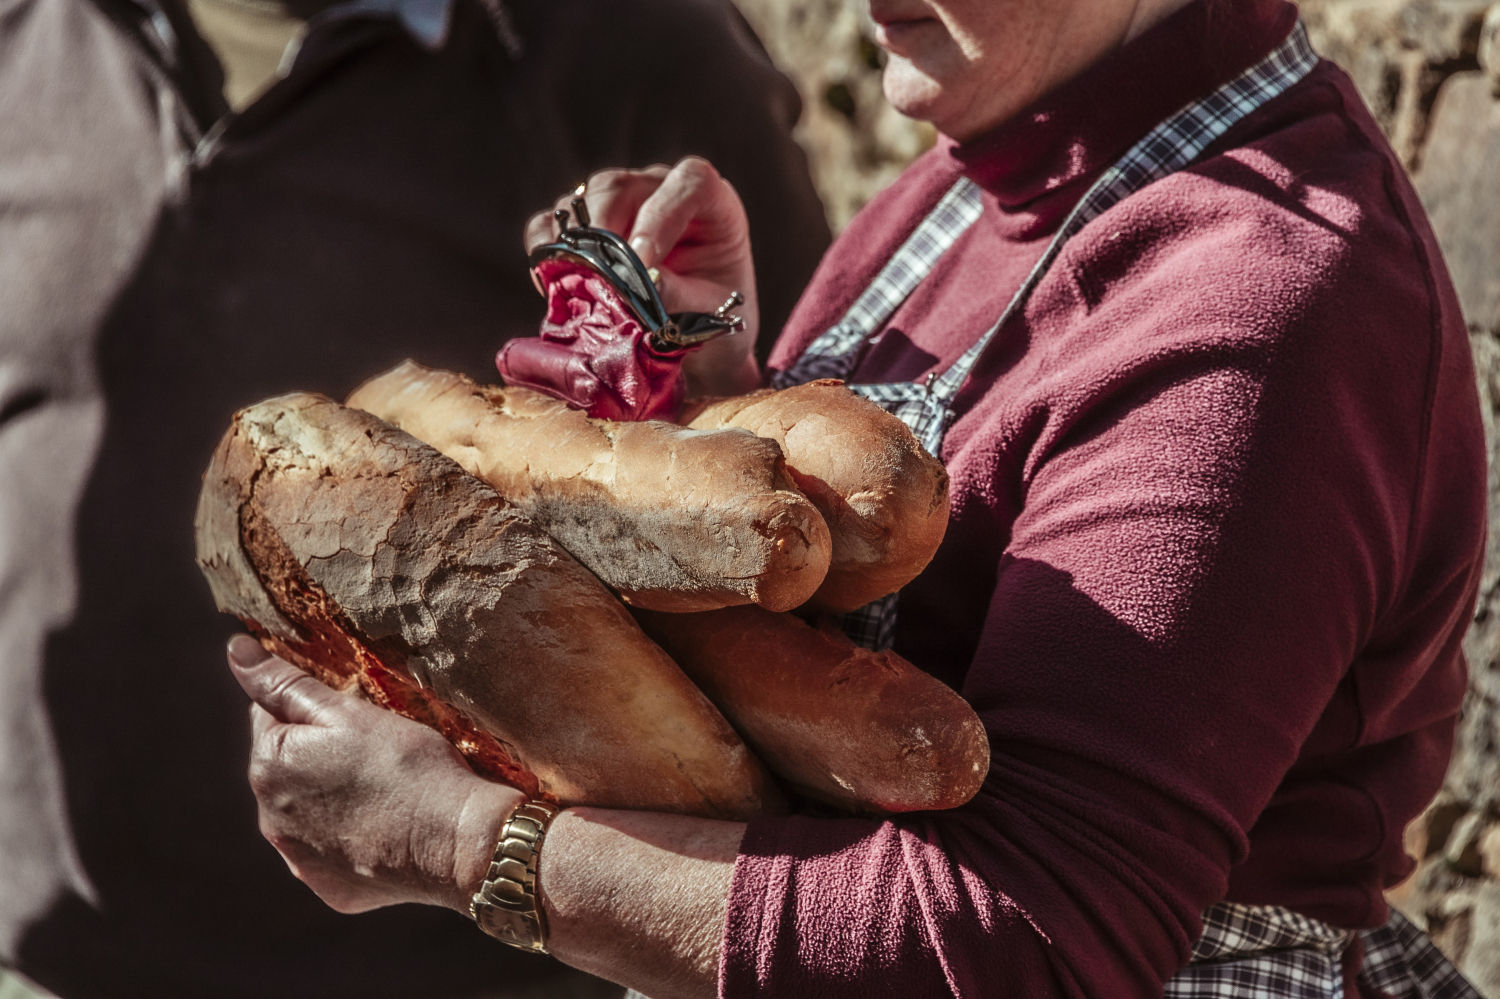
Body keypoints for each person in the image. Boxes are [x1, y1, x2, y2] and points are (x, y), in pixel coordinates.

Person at [224, 0, 1491, 995]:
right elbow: (903, 637)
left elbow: (1030, 937)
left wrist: (463, 844)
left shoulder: (1261, 303)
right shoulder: (971, 170)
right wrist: (716, 404)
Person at [0, 0, 830, 995]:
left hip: (460, 959)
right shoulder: (30, 34)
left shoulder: (628, 43)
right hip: (47, 944)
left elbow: (812, 504)